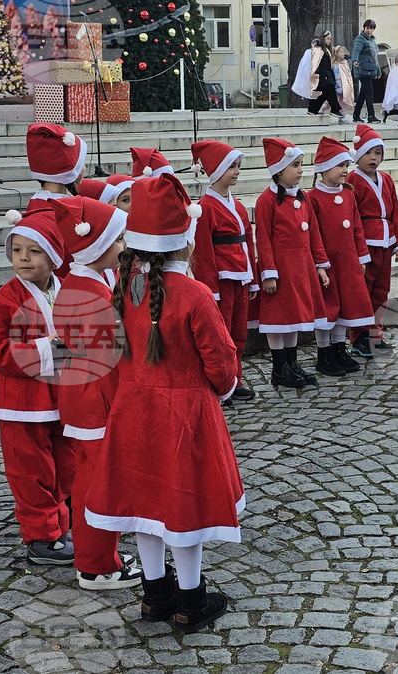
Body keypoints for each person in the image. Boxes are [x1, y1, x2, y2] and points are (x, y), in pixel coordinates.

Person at [85, 173, 244, 634]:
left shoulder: (127, 287)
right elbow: (220, 363)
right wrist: (228, 386)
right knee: (183, 508)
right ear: (185, 240)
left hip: (135, 412)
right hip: (185, 417)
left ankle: (155, 596)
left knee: (144, 505)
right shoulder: (193, 294)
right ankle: (191, 602)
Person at [47, 196, 142, 590]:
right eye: (118, 240)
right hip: (96, 403)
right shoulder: (92, 295)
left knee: (92, 479)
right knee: (99, 484)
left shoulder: (84, 281)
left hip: (82, 400)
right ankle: (98, 565)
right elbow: (109, 361)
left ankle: (99, 557)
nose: (124, 247)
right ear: (99, 248)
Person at [0, 209, 74, 565]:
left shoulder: (68, 292)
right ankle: (42, 536)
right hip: (22, 403)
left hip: (64, 396)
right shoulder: (4, 301)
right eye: (17, 250)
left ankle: (60, 519)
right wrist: (47, 348)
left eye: (34, 251)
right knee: (29, 470)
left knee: (65, 462)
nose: (23, 258)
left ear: (54, 256)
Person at [254, 138, 330, 388]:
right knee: (279, 316)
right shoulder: (266, 202)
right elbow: (263, 240)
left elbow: (315, 234)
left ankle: (291, 363)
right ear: (279, 169)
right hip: (281, 268)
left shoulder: (304, 198)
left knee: (295, 315)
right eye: (295, 165)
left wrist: (320, 265)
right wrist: (269, 274)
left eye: (301, 165)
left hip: (302, 267)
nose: (301, 170)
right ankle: (279, 368)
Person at [190, 140, 260, 402]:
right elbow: (203, 253)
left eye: (238, 166)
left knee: (239, 333)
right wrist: (212, 289)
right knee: (222, 335)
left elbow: (247, 242)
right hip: (222, 280)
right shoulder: (205, 208)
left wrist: (252, 280)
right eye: (231, 166)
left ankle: (235, 379)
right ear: (217, 170)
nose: (237, 171)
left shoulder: (239, 206)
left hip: (241, 278)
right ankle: (221, 385)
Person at [307, 136, 376, 376]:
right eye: (340, 166)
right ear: (324, 168)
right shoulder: (312, 198)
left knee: (346, 304)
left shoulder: (348, 195)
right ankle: (324, 353)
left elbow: (357, 227)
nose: (345, 171)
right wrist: (319, 263)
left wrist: (362, 256)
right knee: (328, 308)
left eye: (346, 166)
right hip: (327, 263)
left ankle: (339, 348)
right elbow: (313, 234)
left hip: (347, 260)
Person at [345, 124, 398, 357]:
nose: (373, 158)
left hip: (385, 242)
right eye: (369, 153)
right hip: (366, 244)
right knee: (363, 291)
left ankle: (375, 333)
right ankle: (359, 336)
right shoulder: (352, 180)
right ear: (358, 155)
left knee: (381, 290)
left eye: (378, 153)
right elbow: (351, 216)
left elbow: (395, 212)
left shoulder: (386, 180)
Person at [25, 123, 86, 278]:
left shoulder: (37, 203)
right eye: (81, 162)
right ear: (71, 169)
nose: (84, 167)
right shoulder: (62, 211)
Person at [291, 32, 345, 119]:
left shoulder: (325, 50)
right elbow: (315, 63)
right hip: (322, 76)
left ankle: (313, 109)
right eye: (327, 38)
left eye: (330, 39)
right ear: (323, 39)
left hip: (325, 75)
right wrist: (315, 73)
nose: (329, 41)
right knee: (329, 90)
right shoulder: (319, 50)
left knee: (323, 94)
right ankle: (335, 109)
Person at [351, 19, 381, 123]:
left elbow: (375, 57)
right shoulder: (360, 39)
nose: (369, 30)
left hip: (370, 69)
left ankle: (356, 115)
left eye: (371, 28)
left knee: (363, 93)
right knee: (370, 91)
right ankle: (371, 115)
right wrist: (354, 60)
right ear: (364, 28)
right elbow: (356, 51)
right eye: (368, 28)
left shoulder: (373, 41)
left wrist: (378, 71)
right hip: (362, 69)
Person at [332, 46, 355, 114]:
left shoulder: (345, 63)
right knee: (335, 99)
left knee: (343, 101)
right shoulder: (333, 64)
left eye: (343, 52)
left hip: (344, 85)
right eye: (341, 52)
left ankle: (342, 115)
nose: (343, 54)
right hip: (336, 85)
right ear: (336, 53)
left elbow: (348, 74)